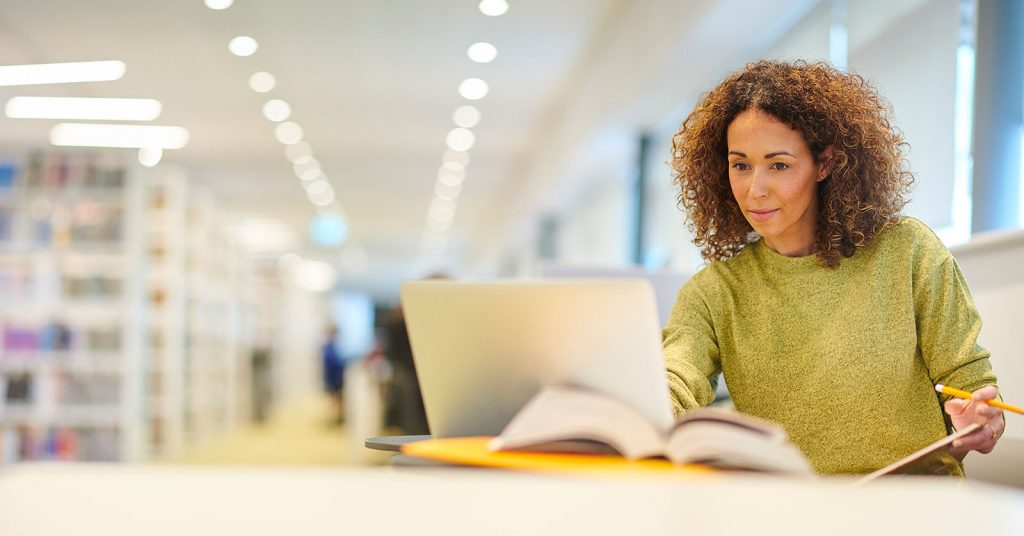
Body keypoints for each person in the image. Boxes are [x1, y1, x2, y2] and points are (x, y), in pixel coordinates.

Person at [664, 60, 1003, 476]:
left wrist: (981, 419)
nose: (755, 189)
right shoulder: (713, 292)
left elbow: (971, 385)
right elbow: (677, 378)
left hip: (916, 509)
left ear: (824, 164)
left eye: (780, 165)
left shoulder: (908, 252)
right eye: (741, 165)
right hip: (796, 513)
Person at [321, 324, 345, 424]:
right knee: (336, 398)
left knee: (335, 399)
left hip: (332, 376)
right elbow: (335, 363)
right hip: (334, 376)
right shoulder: (330, 347)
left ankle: (336, 418)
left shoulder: (328, 347)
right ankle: (336, 419)